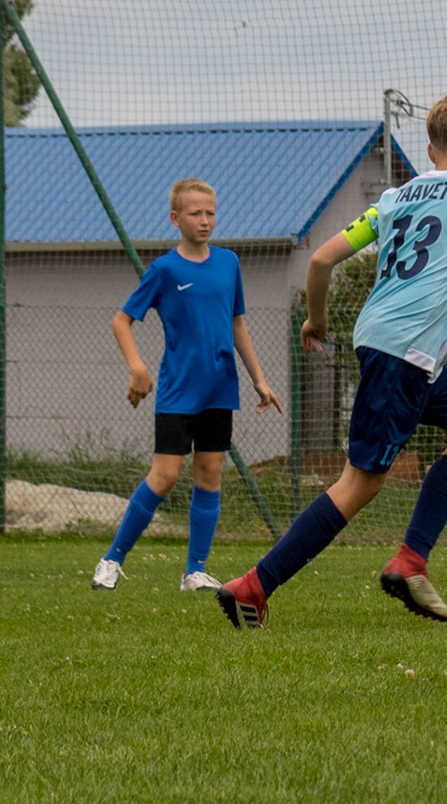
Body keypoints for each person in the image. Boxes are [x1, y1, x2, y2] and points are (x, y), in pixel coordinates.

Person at [216, 96, 447, 628]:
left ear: (431, 149)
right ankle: (253, 585)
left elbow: (320, 259)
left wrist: (316, 320)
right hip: (408, 350)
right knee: (360, 482)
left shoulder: (396, 196)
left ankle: (412, 560)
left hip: (395, 345)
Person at [93, 178, 281, 593]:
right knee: (164, 476)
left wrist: (260, 380)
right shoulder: (163, 270)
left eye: (211, 212)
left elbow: (237, 325)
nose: (205, 220)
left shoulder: (229, 263)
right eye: (195, 213)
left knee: (210, 475)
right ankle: (111, 560)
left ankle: (194, 572)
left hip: (220, 390)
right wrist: (138, 368)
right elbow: (121, 320)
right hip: (179, 391)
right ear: (176, 218)